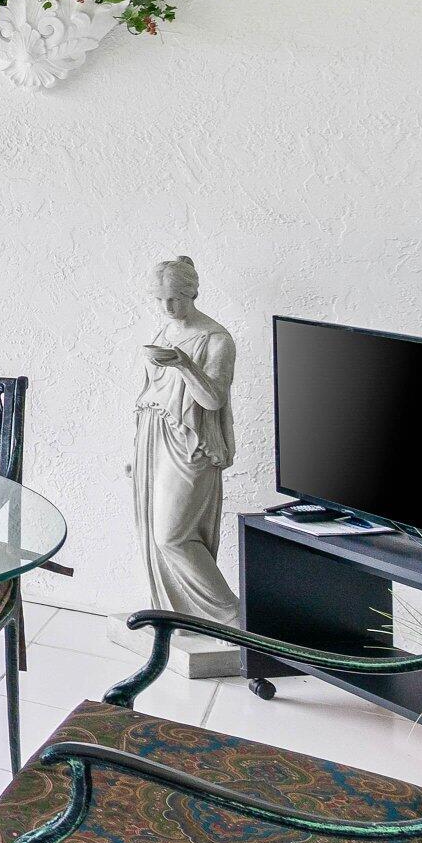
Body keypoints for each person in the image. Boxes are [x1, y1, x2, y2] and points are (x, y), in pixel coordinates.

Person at [133, 255, 242, 623]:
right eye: (160, 298)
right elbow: (150, 391)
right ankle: (179, 617)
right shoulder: (164, 332)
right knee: (153, 535)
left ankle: (233, 617)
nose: (167, 307)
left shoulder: (216, 339)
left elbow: (212, 399)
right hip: (154, 435)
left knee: (173, 536)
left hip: (192, 443)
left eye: (175, 298)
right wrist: (135, 450)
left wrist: (184, 363)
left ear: (192, 292)